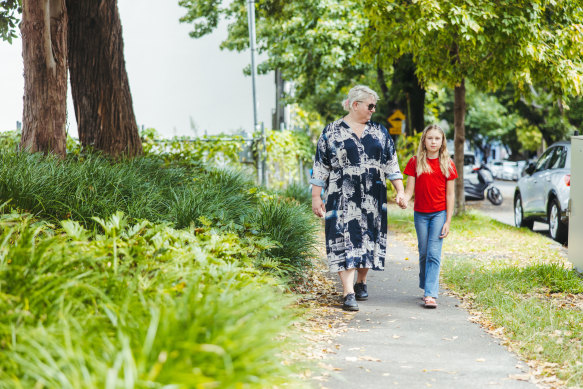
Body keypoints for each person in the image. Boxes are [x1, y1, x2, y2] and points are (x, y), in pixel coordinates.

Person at [310, 85, 406, 311]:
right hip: (340, 196)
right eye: (370, 106)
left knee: (368, 240)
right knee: (343, 239)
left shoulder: (380, 132)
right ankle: (348, 291)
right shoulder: (331, 132)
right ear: (355, 105)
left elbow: (391, 164)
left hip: (373, 196)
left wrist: (400, 191)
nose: (373, 110)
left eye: (375, 106)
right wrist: (316, 196)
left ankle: (362, 281)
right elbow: (320, 166)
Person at [402, 124, 457, 309]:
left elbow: (450, 195)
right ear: (424, 141)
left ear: (442, 142)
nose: (433, 142)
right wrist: (403, 199)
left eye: (437, 138)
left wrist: (448, 221)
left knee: (434, 253)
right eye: (430, 138)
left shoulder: (448, 164)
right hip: (420, 214)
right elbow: (409, 191)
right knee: (424, 252)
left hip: (439, 214)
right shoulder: (415, 162)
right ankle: (426, 285)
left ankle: (430, 294)